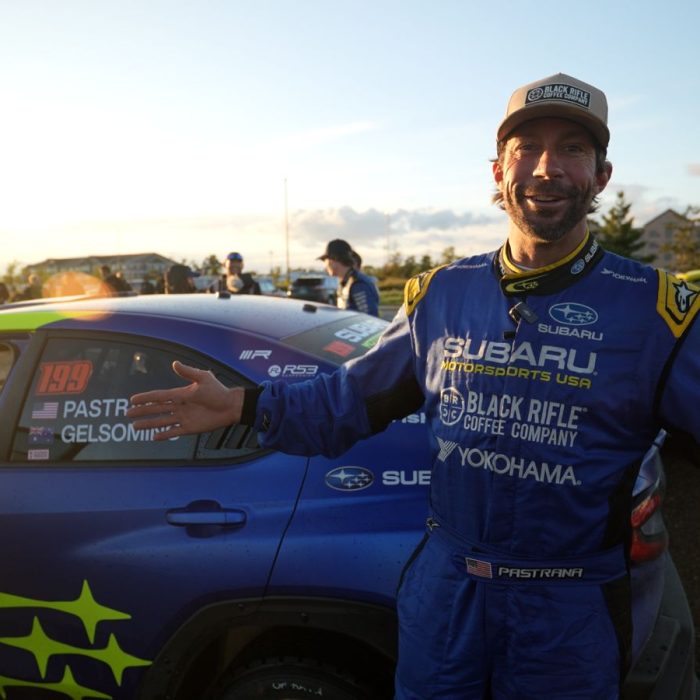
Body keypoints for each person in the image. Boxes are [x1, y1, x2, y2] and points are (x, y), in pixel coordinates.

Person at [128, 73, 700, 699]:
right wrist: (244, 404)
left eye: (572, 149)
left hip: (567, 613)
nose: (547, 167)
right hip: (446, 599)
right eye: (526, 149)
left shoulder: (657, 312)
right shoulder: (440, 295)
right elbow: (348, 402)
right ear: (498, 171)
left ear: (602, 176)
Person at [318, 238, 379, 316]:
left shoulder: (358, 284)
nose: (325, 265)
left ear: (332, 261)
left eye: (325, 260)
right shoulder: (346, 281)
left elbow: (370, 318)